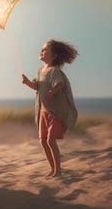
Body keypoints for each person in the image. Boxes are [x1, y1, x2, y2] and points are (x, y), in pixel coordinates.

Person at [22, 39, 78, 177]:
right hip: (43, 112)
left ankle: (58, 170)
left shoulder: (54, 71)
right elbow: (37, 86)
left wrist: (51, 92)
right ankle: (52, 168)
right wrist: (27, 82)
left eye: (45, 49)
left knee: (50, 140)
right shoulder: (40, 70)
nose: (41, 51)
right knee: (43, 141)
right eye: (42, 49)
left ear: (54, 56)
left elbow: (60, 84)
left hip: (55, 113)